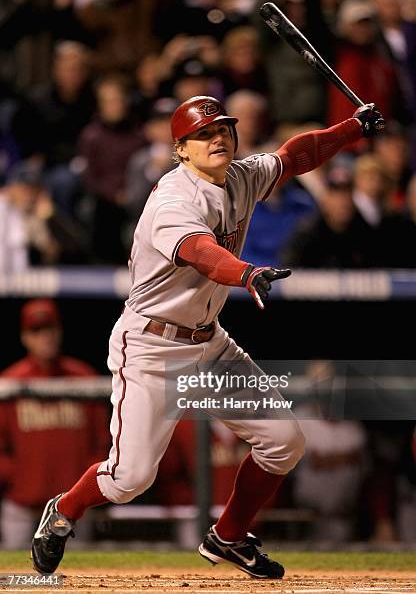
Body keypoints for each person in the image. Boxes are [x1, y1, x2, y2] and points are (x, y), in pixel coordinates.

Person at [31, 95, 384, 578]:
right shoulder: (174, 199)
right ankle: (65, 511)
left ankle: (229, 536)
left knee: (283, 441)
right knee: (130, 479)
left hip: (208, 345)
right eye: (203, 134)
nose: (217, 138)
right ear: (180, 149)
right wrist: (245, 273)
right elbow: (200, 252)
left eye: (224, 130)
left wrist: (352, 128)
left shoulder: (239, 174)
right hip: (153, 348)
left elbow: (293, 156)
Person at [0, 299, 109, 549]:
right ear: (24, 336)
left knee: (76, 576)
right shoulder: (9, 382)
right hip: (21, 506)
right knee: (13, 579)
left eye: (50, 329)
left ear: (59, 331)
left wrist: (85, 489)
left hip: (71, 506)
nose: (45, 337)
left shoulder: (83, 378)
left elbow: (103, 441)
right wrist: (18, 479)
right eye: (36, 331)